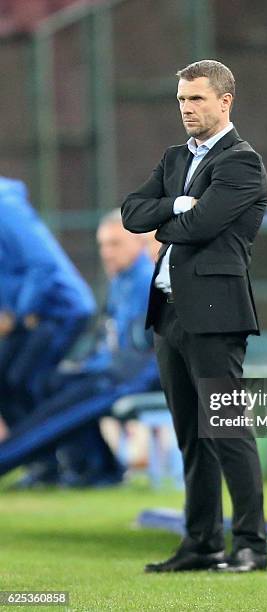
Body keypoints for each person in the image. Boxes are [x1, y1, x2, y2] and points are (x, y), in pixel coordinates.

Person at [122, 60, 267, 573]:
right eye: (182, 99)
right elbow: (130, 213)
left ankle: (250, 545)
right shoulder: (172, 158)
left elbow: (200, 225)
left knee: (226, 431)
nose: (187, 108)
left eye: (197, 99)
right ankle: (202, 542)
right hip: (168, 316)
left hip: (215, 315)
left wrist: (168, 215)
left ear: (225, 101)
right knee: (191, 435)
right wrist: (176, 204)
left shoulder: (241, 163)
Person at [0, 209, 161, 486]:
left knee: (56, 415)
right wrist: (85, 366)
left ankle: (11, 459)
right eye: (102, 244)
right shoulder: (122, 280)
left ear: (140, 242)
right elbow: (109, 338)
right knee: (52, 383)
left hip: (130, 376)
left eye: (115, 244)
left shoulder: (148, 280)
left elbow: (137, 350)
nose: (107, 252)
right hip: (111, 372)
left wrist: (98, 369)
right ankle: (95, 468)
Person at [0, 176, 95, 485]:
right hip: (32, 314)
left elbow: (41, 264)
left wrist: (18, 313)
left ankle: (78, 464)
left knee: (28, 381)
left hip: (59, 311)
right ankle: (43, 464)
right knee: (10, 381)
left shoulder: (5, 204)